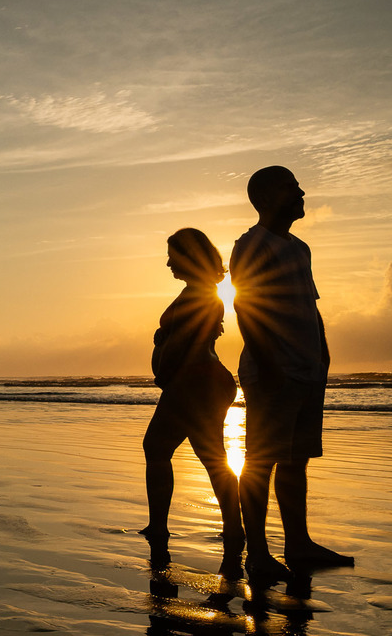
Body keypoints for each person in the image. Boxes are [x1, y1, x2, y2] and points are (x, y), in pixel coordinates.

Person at [231, 166, 353, 583]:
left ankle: (298, 543)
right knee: (261, 460)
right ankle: (259, 553)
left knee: (296, 460)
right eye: (290, 187)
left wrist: (323, 356)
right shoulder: (251, 245)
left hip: (306, 370)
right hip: (273, 373)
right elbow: (245, 307)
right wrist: (269, 367)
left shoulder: (300, 248)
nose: (300, 192)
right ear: (264, 198)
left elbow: (310, 306)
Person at [140, 228, 242, 573]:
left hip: (196, 382)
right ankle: (232, 528)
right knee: (209, 455)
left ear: (189, 257)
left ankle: (162, 526)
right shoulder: (200, 292)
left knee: (160, 448)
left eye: (173, 255)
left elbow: (186, 343)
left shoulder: (200, 295)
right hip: (201, 381)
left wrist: (165, 371)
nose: (168, 262)